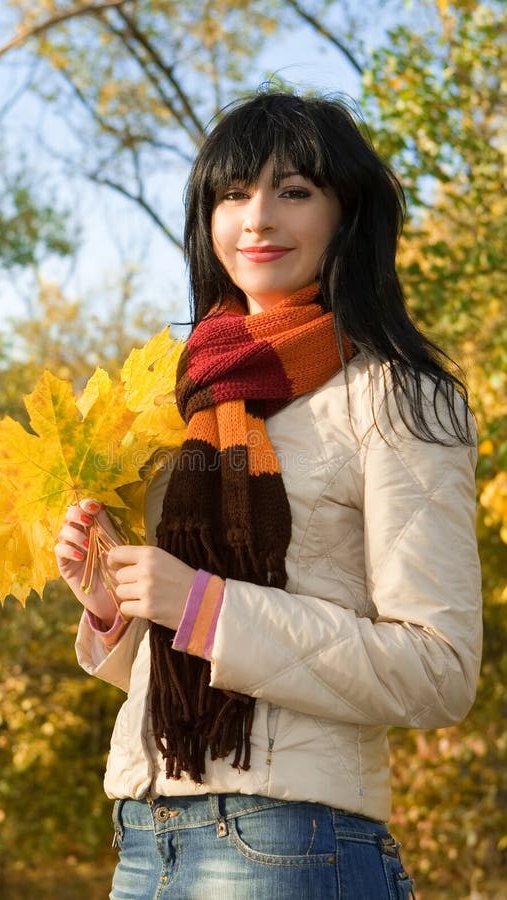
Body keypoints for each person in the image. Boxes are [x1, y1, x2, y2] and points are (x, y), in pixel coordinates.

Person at [55, 90, 482, 899]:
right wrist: (118, 610)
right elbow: (208, 683)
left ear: (345, 213)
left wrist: (208, 607)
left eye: (293, 191)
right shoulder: (188, 401)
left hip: (289, 844)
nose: (256, 219)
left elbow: (441, 669)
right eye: (231, 193)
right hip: (146, 840)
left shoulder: (397, 395)